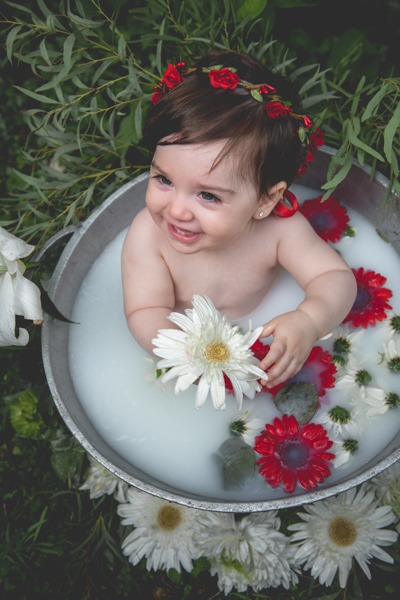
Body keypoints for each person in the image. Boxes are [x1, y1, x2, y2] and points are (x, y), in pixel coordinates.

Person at [121, 50, 357, 389]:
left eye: (208, 195)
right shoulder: (148, 235)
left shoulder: (279, 231)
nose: (176, 211)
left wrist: (308, 320)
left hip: (259, 330)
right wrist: (190, 354)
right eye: (164, 179)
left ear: (266, 199)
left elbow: (334, 277)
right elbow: (145, 311)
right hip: (191, 355)